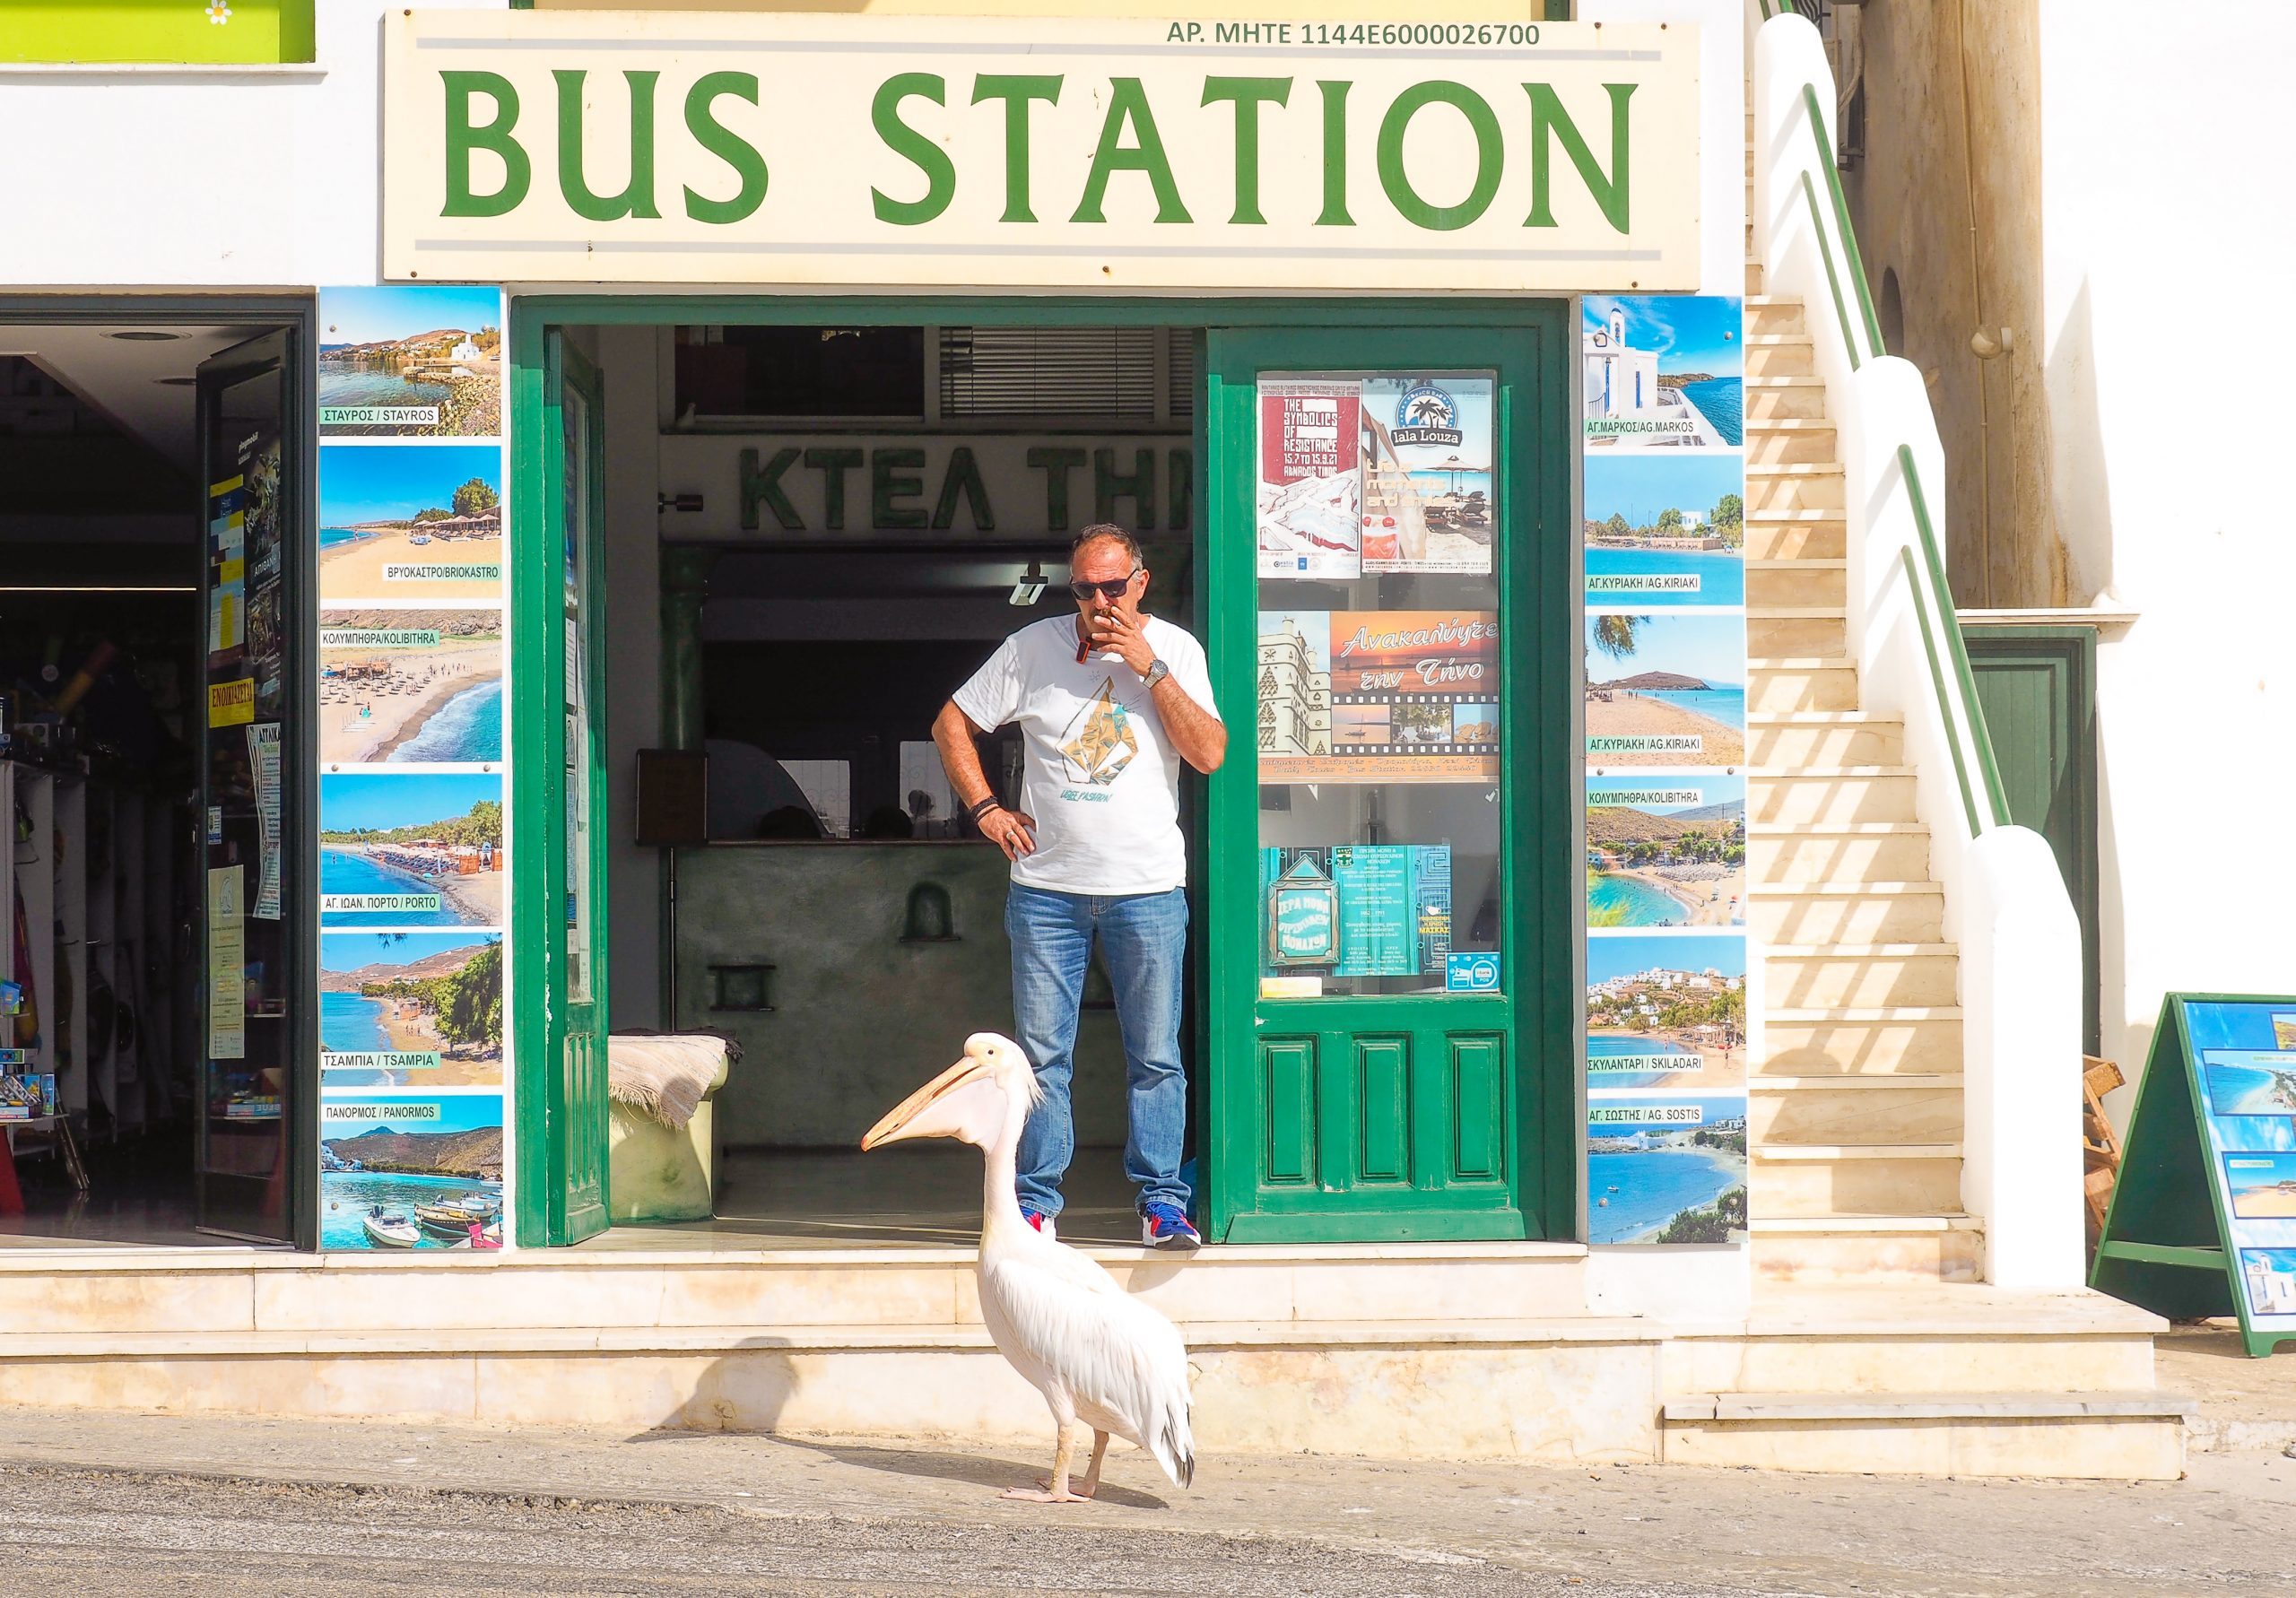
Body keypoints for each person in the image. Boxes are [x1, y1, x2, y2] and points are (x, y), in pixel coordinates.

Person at [932, 525, 1226, 1250]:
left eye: (1113, 586)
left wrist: (1149, 666)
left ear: (1141, 582)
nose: (1099, 601)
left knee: (1156, 1055)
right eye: (1085, 589)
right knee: (1041, 1060)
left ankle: (1162, 1203)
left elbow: (1211, 754)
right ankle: (1035, 1207)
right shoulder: (1033, 648)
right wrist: (987, 810)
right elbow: (950, 723)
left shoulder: (1177, 649)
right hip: (1047, 891)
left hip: (1148, 889)